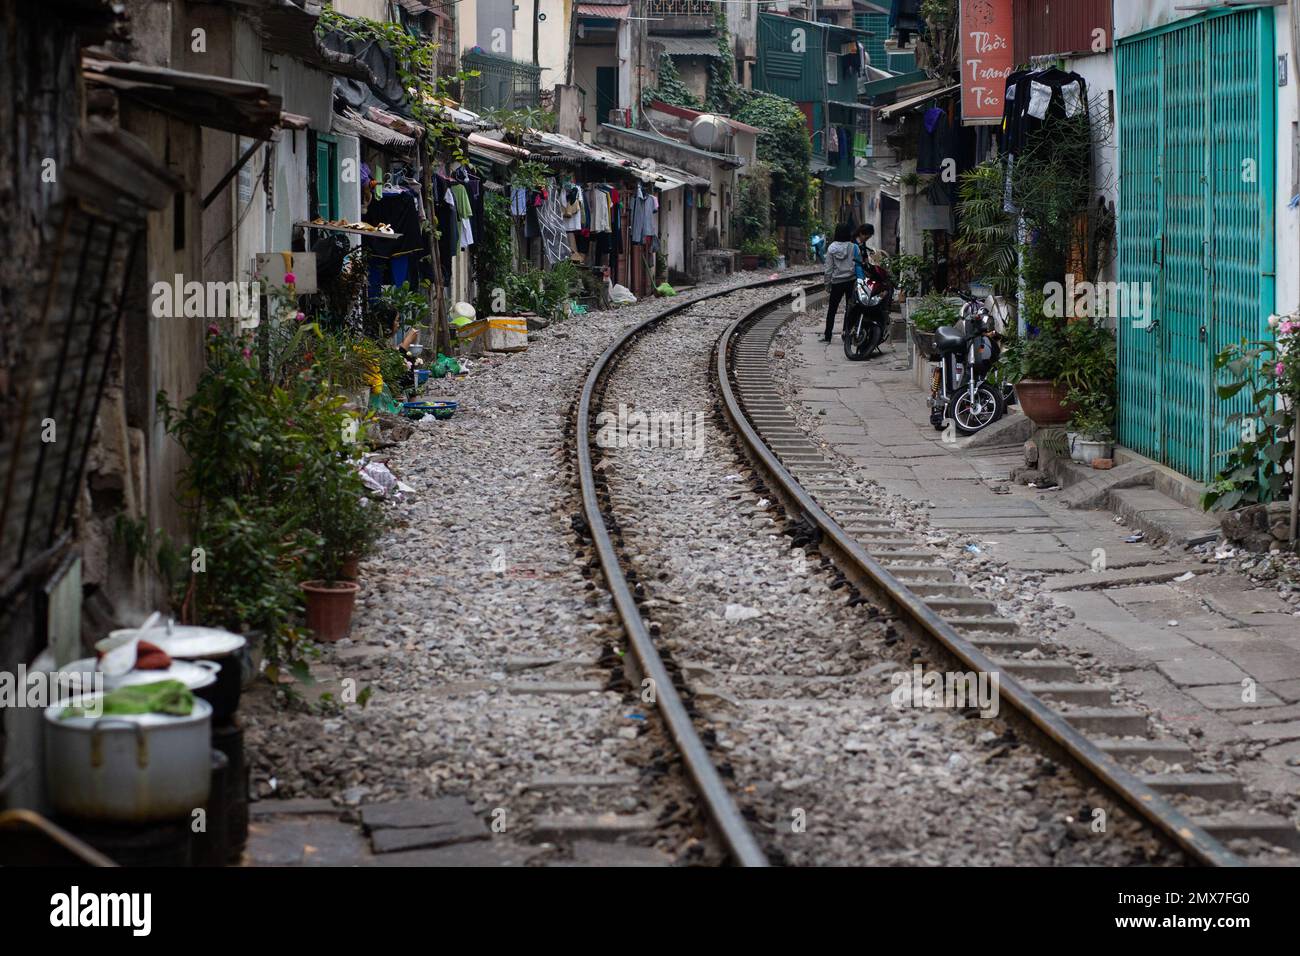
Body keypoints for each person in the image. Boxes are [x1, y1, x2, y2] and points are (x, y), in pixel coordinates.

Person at [822, 223, 861, 342]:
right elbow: (858, 265)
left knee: (832, 310)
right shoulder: (854, 247)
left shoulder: (831, 248)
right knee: (850, 309)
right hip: (851, 281)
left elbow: (828, 269)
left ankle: (828, 335)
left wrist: (827, 284)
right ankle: (846, 333)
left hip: (837, 283)